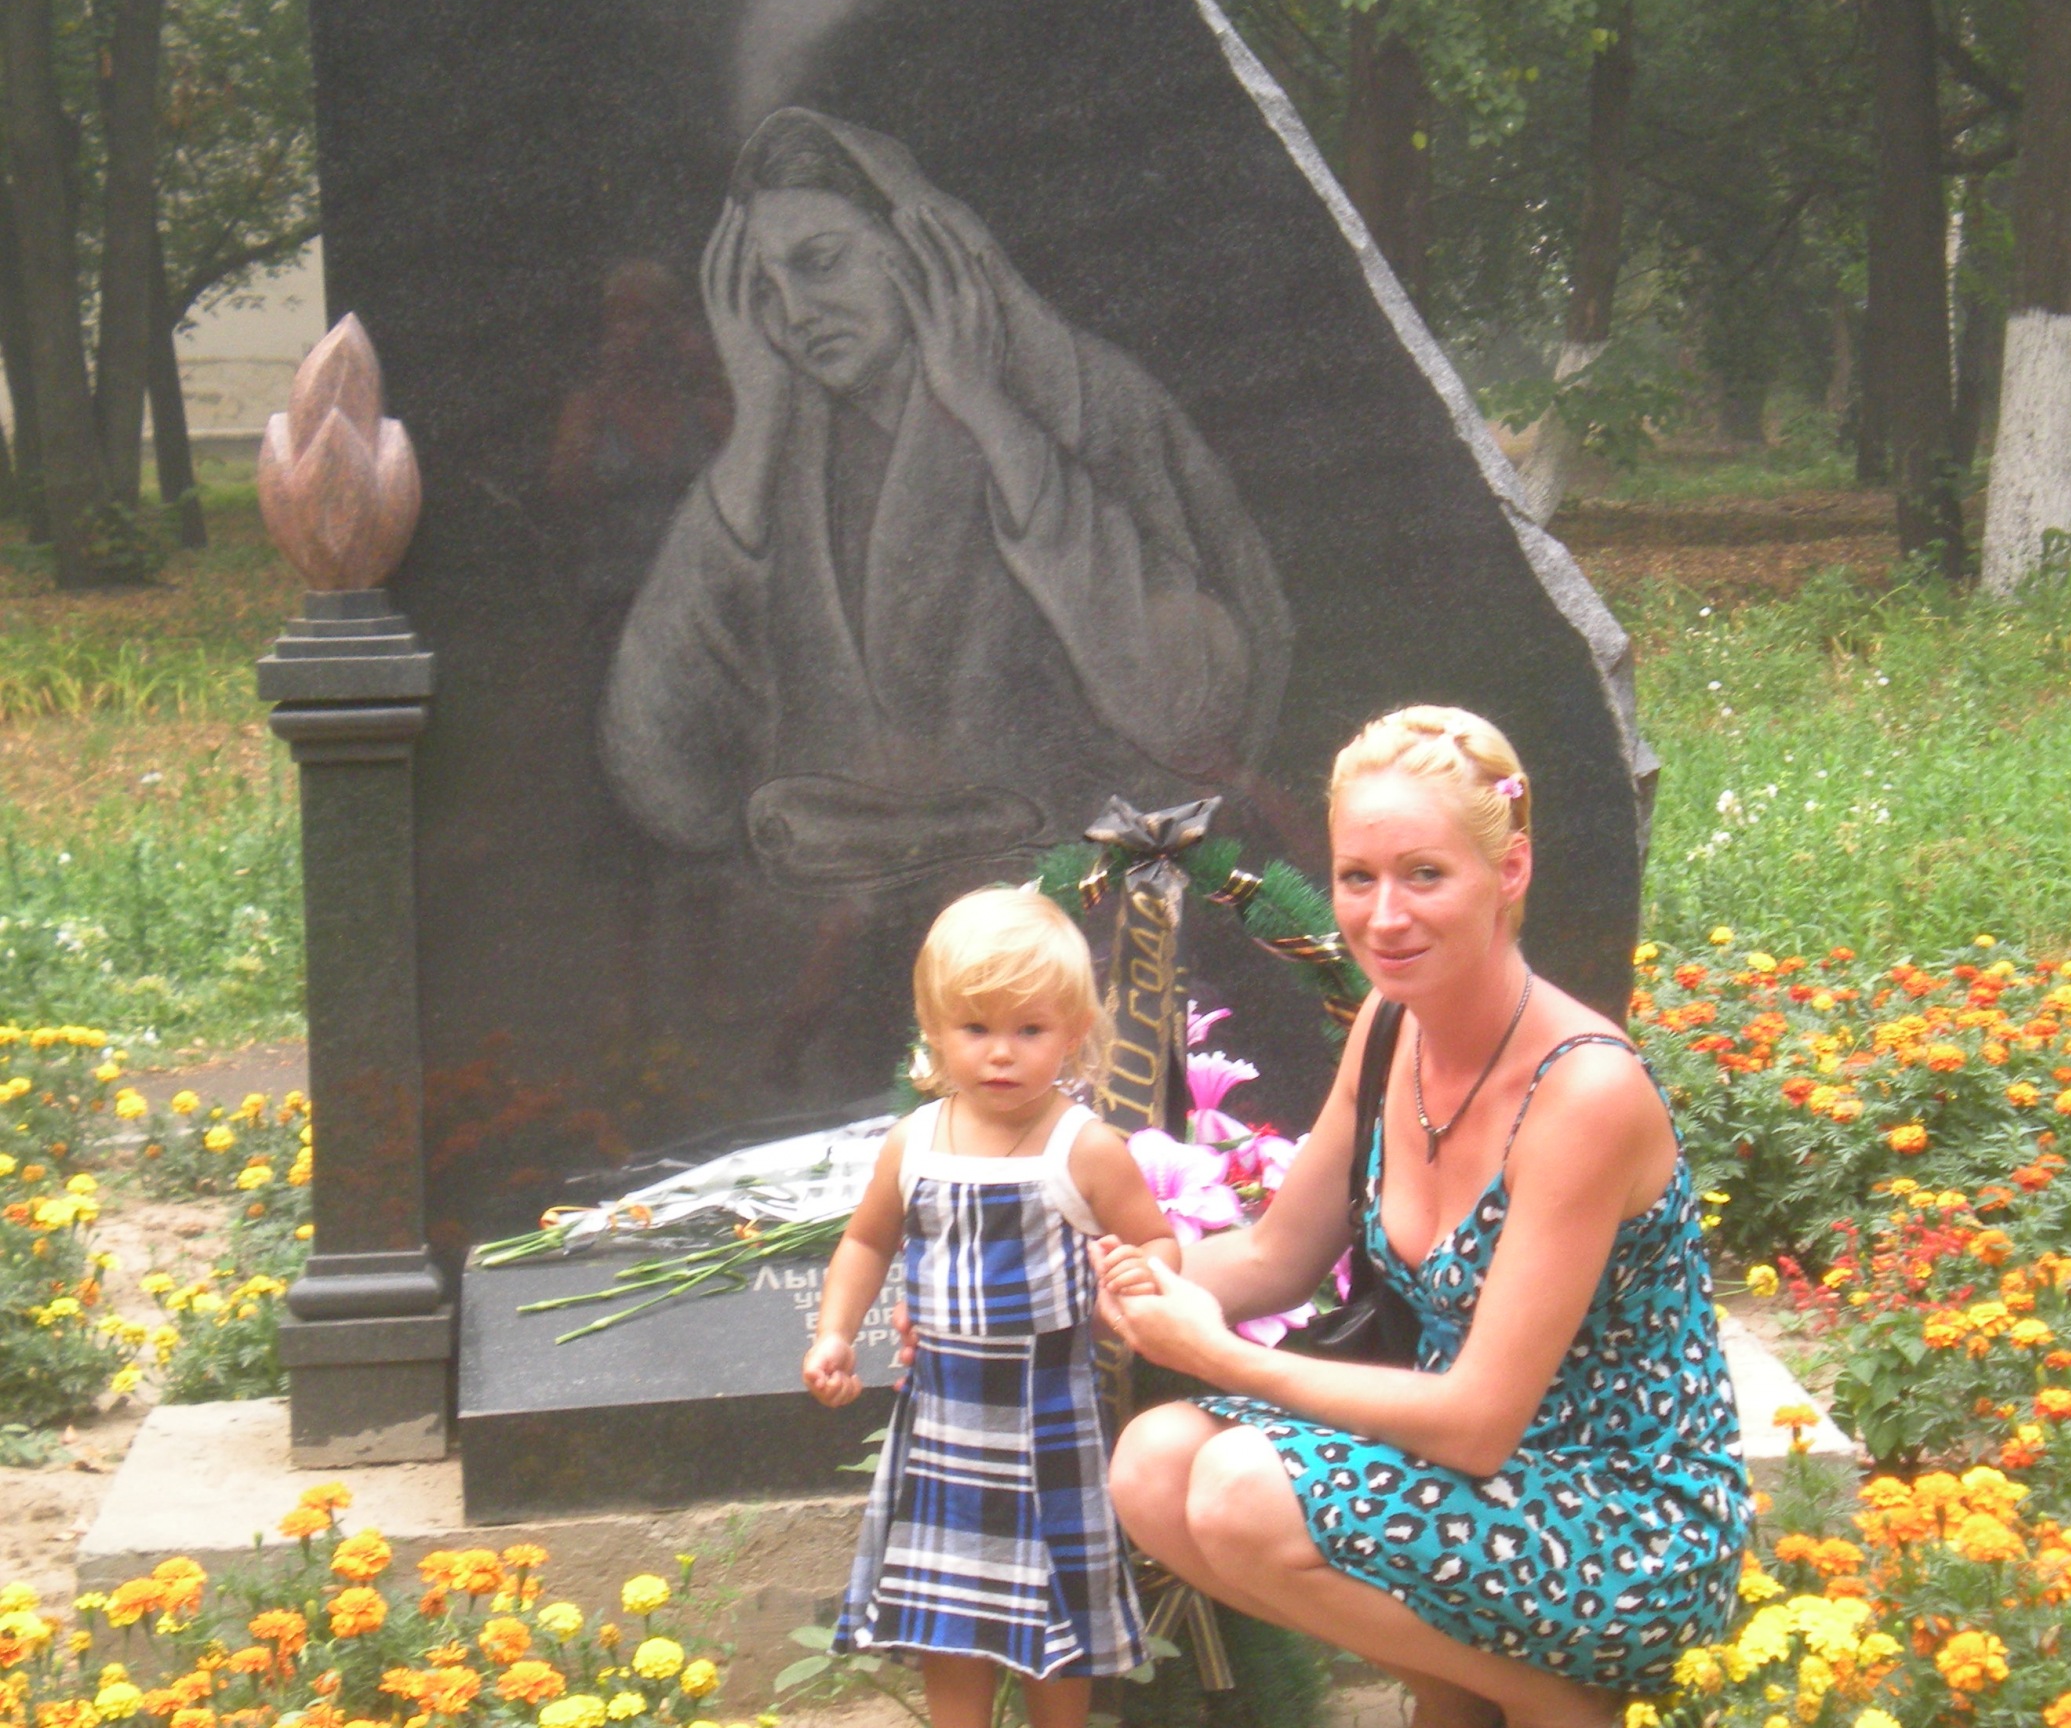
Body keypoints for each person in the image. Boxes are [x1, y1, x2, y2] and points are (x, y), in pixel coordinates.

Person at [1091, 707, 1750, 1728]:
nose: (1384, 916)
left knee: (1235, 1489)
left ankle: (1562, 1713)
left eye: (1424, 875)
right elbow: (1272, 1258)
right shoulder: (1390, 1028)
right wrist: (1088, 1277)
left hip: (1624, 1521)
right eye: (1357, 878)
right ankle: (1460, 1699)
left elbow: (1481, 1422)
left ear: (1510, 869)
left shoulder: (1585, 1094)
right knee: (1151, 1465)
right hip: (1466, 1485)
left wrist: (1219, 1357)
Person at [600, 106, 1292, 896]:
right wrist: (751, 441)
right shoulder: (772, 460)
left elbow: (1196, 715)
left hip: (1075, 919)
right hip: (840, 928)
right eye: (762, 287)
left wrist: (992, 419)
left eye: (820, 262)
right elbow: (664, 782)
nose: (792, 313)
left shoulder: (1090, 401)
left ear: (922, 246)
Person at [804, 886, 1181, 1728]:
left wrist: (1137, 1276)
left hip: (1047, 1418)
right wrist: (834, 1334)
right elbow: (866, 1242)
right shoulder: (914, 1143)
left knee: (1058, 1609)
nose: (1001, 1054)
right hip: (943, 1416)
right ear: (934, 1030)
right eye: (976, 1028)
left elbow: (1156, 1239)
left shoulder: (1082, 1148)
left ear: (1073, 1032)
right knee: (950, 1614)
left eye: (1030, 1030)